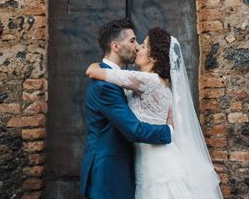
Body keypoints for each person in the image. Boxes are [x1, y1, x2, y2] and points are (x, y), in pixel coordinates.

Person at [86, 26, 222, 199]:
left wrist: (94, 65)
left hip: (159, 165)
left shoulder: (149, 81)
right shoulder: (155, 82)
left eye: (143, 46)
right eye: (136, 42)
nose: (138, 48)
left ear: (154, 57)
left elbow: (93, 72)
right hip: (148, 164)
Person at [79, 19, 173, 199]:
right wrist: (169, 131)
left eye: (139, 43)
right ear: (115, 45)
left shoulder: (124, 78)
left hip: (130, 168)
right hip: (108, 173)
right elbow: (133, 130)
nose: (137, 46)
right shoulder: (105, 85)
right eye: (132, 41)